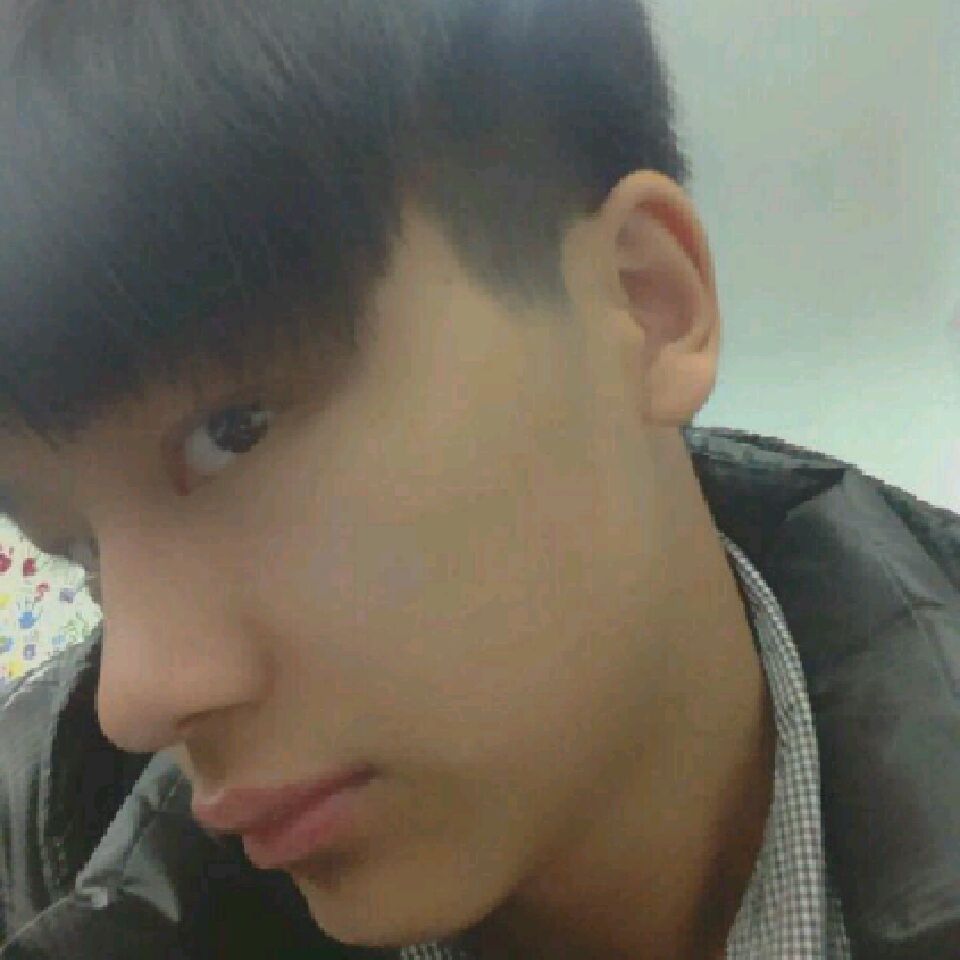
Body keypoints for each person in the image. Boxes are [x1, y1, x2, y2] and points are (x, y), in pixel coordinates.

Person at [0, 2, 956, 958]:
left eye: (233, 432)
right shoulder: (40, 853)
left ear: (644, 301)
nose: (137, 698)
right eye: (81, 550)